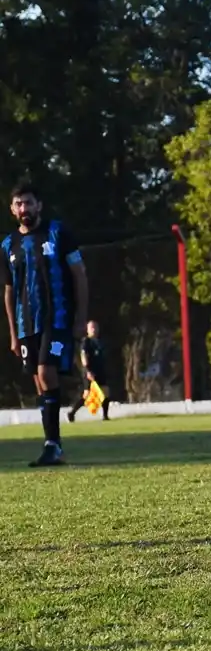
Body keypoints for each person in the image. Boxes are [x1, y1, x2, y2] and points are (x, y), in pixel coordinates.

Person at [2, 182, 89, 467]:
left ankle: (54, 444)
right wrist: (13, 335)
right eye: (19, 204)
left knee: (46, 371)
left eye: (29, 202)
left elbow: (79, 275)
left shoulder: (58, 233)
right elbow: (9, 291)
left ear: (39, 206)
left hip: (57, 319)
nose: (24, 208)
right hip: (27, 324)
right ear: (13, 209)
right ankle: (52, 445)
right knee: (39, 382)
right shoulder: (7, 245)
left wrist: (80, 318)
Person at [69, 319, 112, 421]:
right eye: (92, 328)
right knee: (87, 394)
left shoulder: (100, 342)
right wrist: (87, 370)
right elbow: (83, 356)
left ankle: (105, 416)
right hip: (90, 372)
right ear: (87, 330)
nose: (94, 329)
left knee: (105, 392)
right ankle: (72, 413)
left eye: (95, 327)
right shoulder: (86, 342)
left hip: (100, 370)